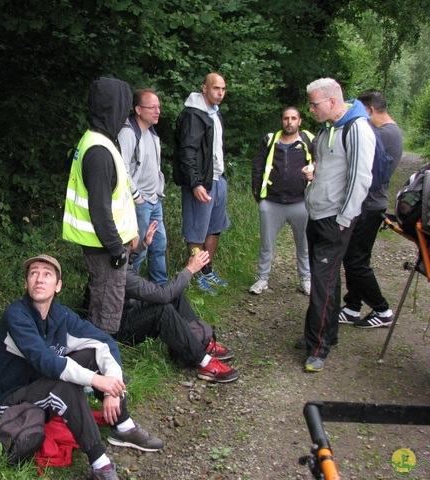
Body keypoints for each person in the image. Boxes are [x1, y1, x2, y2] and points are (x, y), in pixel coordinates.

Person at [0, 254, 164, 480]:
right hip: (9, 397)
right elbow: (43, 359)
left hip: (41, 383)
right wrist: (96, 380)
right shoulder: (16, 314)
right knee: (65, 387)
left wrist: (112, 390)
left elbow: (104, 343)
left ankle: (123, 426)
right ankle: (100, 463)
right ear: (26, 283)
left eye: (47, 275)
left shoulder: (62, 315)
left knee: (92, 354)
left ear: (58, 286)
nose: (39, 279)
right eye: (33, 274)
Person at [299, 78, 375, 373]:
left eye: (314, 103)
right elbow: (330, 168)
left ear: (332, 102)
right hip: (317, 214)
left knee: (321, 282)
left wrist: (344, 219)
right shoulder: (327, 128)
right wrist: (312, 176)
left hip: (335, 220)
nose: (311, 109)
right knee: (328, 280)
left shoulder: (358, 129)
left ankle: (317, 347)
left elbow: (361, 179)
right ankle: (326, 333)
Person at [116, 222, 240, 383]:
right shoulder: (123, 274)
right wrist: (190, 269)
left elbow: (127, 258)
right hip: (118, 328)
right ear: (131, 241)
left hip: (125, 311)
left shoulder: (113, 257)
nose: (139, 231)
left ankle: (201, 342)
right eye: (136, 232)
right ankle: (204, 362)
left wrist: (143, 245)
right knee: (164, 309)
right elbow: (162, 296)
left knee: (176, 295)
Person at [63, 77, 138, 334]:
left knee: (102, 302)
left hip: (106, 244)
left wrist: (130, 235)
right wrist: (118, 250)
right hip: (105, 248)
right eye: (124, 107)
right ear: (112, 107)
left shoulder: (100, 141)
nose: (126, 115)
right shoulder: (98, 151)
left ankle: (95, 362)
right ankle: (100, 367)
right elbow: (100, 210)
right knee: (106, 312)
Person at [339, 89, 404, 328]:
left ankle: (382, 309)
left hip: (369, 205)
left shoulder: (382, 134)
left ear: (370, 110)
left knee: (356, 261)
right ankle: (352, 306)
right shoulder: (389, 132)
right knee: (353, 257)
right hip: (369, 204)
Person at [173, 73, 231, 295]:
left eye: (223, 89)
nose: (220, 93)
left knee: (215, 228)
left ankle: (207, 272)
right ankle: (195, 275)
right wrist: (195, 183)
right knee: (196, 231)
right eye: (216, 88)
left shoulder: (214, 114)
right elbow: (187, 151)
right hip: (200, 183)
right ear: (204, 88)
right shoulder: (192, 115)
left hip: (217, 179)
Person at [250, 107, 315, 295]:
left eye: (293, 118)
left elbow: (321, 164)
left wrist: (313, 174)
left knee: (304, 244)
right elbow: (257, 168)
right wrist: (259, 198)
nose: (289, 122)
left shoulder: (309, 141)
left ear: (300, 121)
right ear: (281, 121)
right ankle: (262, 278)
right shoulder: (270, 141)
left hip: (300, 202)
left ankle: (305, 279)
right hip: (271, 202)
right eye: (286, 118)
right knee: (266, 244)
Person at [117, 88, 168, 285]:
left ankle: (161, 289)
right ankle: (132, 290)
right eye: (152, 107)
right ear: (138, 109)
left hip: (155, 200)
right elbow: (121, 168)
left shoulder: (152, 133)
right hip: (139, 202)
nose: (157, 111)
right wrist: (137, 196)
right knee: (138, 249)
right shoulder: (128, 133)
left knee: (159, 245)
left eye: (158, 107)